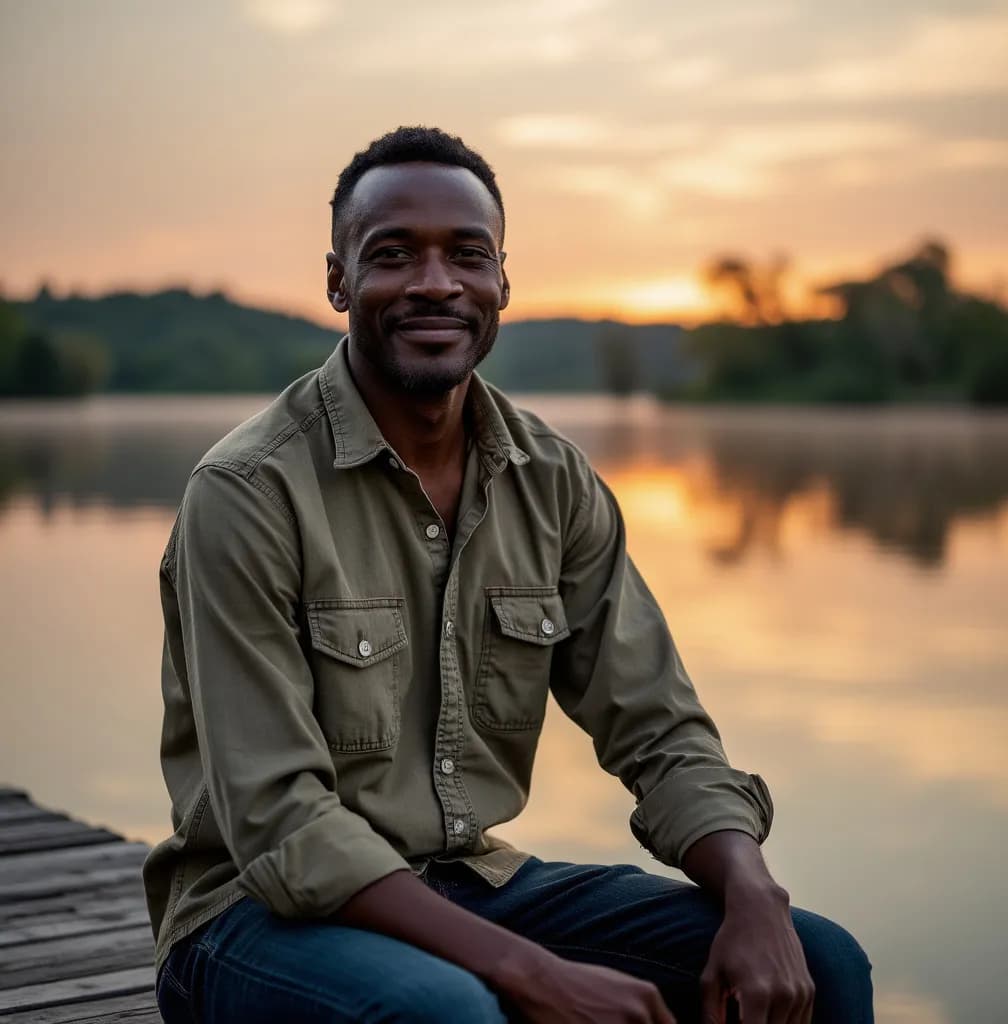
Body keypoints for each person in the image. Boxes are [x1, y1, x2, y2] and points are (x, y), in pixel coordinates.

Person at [145, 126, 872, 1023]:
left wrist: (755, 894)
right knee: (448, 1011)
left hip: (470, 883)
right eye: (392, 255)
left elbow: (659, 728)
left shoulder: (553, 480)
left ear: (502, 283)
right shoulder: (246, 493)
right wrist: (528, 972)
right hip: (252, 918)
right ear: (337, 280)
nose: (435, 283)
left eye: (467, 255)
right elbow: (280, 822)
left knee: (823, 961)